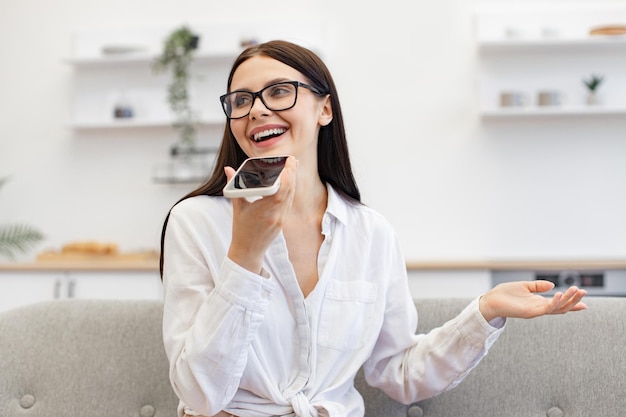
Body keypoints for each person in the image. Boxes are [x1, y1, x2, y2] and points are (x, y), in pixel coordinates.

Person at [159, 40, 587, 417]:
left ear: (324, 108)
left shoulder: (370, 233)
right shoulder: (195, 222)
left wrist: (485, 312)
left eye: (278, 92)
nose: (256, 109)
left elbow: (399, 372)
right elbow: (200, 395)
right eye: (241, 100)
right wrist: (245, 256)